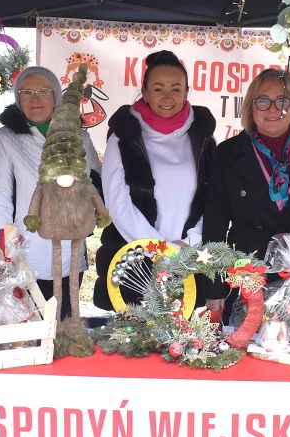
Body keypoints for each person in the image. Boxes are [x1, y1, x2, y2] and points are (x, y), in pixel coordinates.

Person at [93, 49, 216, 310]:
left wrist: (189, 244)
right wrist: (159, 249)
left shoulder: (204, 138)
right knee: (135, 333)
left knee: (186, 333)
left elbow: (213, 198)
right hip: (136, 261)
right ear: (145, 93)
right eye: (158, 89)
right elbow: (117, 203)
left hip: (189, 260)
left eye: (176, 88)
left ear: (187, 92)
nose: (167, 97)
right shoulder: (123, 137)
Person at [203, 68, 290, 316]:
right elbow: (215, 223)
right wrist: (214, 288)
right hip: (247, 273)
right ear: (251, 106)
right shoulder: (228, 152)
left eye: (283, 101)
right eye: (263, 100)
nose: (273, 109)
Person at [0, 66, 102, 319]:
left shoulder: (79, 137)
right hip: (25, 253)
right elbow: (1, 199)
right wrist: (0, 253)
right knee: (27, 330)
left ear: (56, 97)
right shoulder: (4, 139)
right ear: (18, 99)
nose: (35, 98)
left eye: (43, 91)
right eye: (27, 92)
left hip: (71, 251)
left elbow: (96, 182)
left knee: (64, 325)